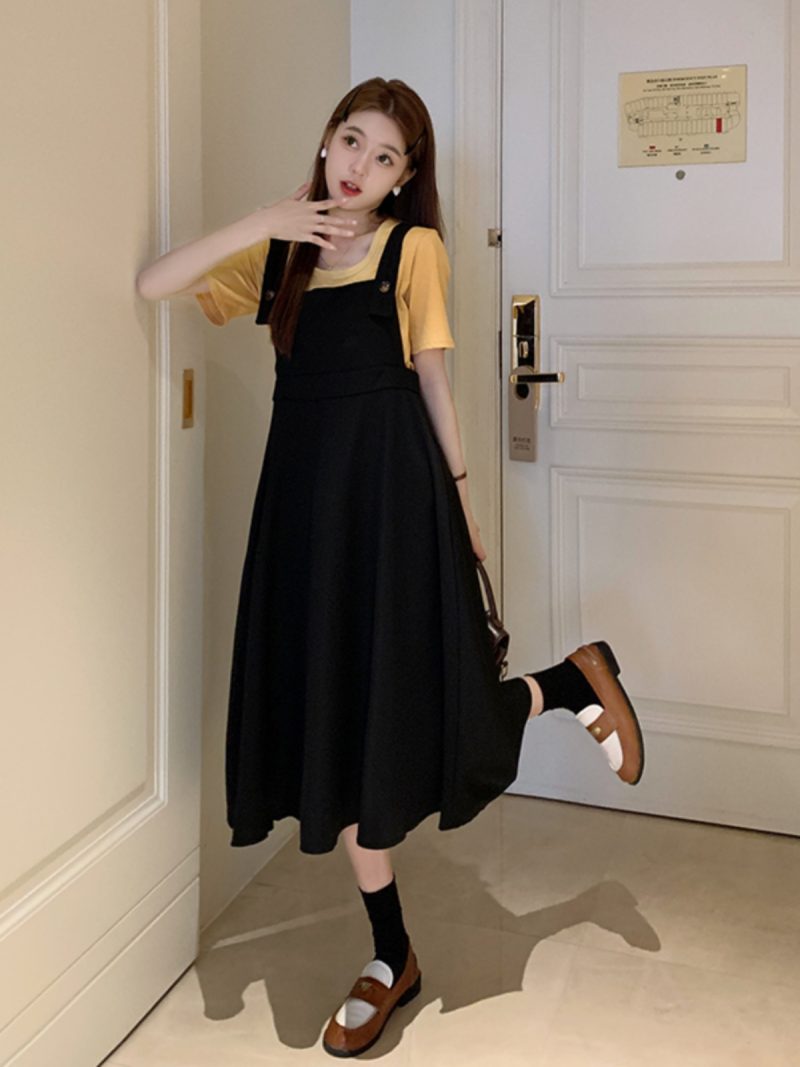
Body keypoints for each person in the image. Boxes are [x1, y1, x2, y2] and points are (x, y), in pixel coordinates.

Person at [136, 76, 644, 1059]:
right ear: (326, 140)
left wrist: (463, 506)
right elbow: (156, 283)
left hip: (394, 499)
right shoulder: (281, 253)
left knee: (409, 710)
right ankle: (398, 945)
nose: (358, 166)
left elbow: (433, 378)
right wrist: (265, 218)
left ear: (406, 178)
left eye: (384, 157)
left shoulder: (414, 250)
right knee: (336, 717)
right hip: (302, 517)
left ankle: (393, 947)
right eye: (349, 141)